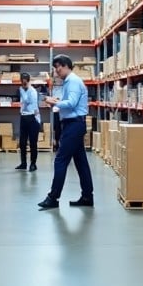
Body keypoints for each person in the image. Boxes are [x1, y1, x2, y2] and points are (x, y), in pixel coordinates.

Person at [39, 55, 94, 210]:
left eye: (58, 67)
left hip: (74, 125)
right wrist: (57, 103)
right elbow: (69, 103)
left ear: (65, 66)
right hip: (74, 124)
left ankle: (53, 198)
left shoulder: (73, 81)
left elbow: (71, 103)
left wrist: (54, 102)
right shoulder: (69, 82)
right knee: (81, 161)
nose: (57, 71)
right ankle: (87, 196)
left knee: (60, 160)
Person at [16, 72, 40, 171]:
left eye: (25, 82)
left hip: (33, 118)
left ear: (28, 81)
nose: (23, 84)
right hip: (24, 117)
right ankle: (23, 163)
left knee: (33, 143)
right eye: (22, 82)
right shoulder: (23, 89)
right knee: (22, 142)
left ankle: (33, 164)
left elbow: (27, 101)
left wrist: (22, 90)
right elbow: (22, 103)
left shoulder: (32, 91)